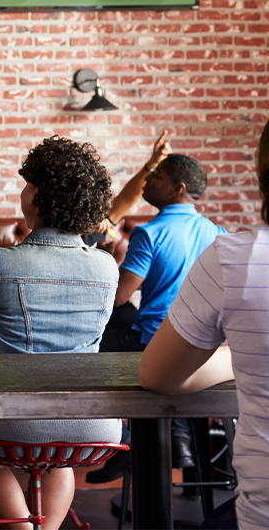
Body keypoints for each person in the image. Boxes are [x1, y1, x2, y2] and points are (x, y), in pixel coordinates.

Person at [0, 136, 120, 530]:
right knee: (60, 454)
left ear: (37, 196)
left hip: (14, 420)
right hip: (95, 425)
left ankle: (22, 528)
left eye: (27, 184)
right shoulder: (108, 266)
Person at [139, 115, 268, 530]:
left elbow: (157, 375)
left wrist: (239, 354)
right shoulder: (214, 231)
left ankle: (135, 449)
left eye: (155, 174)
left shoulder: (235, 257)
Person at [88, 150, 225, 481]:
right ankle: (183, 449)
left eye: (157, 176)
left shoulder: (150, 232)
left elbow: (119, 296)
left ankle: (128, 442)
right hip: (206, 347)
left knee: (86, 350)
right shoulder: (217, 233)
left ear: (176, 188)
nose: (148, 180)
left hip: (152, 343)